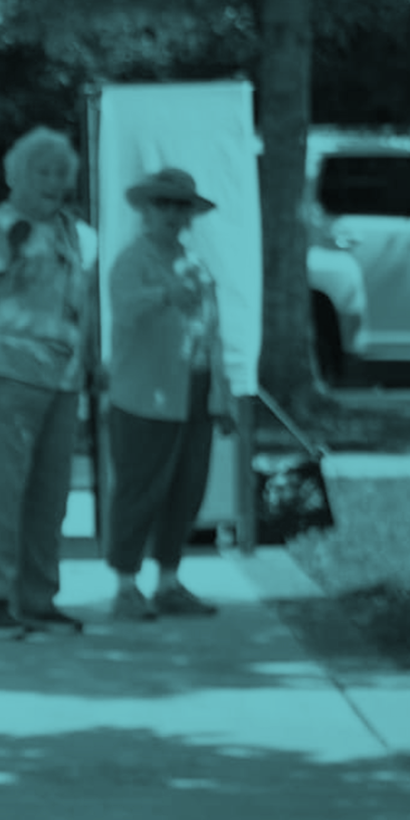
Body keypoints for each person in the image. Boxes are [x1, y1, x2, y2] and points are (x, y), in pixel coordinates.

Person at [0, 126, 101, 637]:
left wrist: (93, 360)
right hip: (6, 377)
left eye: (60, 173)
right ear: (18, 176)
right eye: (42, 172)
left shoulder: (76, 232)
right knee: (0, 495)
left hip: (63, 382)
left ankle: (39, 598)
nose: (52, 182)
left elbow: (84, 305)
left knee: (50, 499)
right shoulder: (2, 227)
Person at [105, 167, 235, 621]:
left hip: (194, 390)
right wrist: (164, 294)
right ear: (145, 210)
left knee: (186, 490)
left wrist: (223, 392)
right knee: (139, 489)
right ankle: (124, 585)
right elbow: (123, 310)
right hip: (145, 393)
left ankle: (168, 581)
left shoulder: (196, 264)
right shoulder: (131, 260)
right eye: (163, 204)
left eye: (180, 206)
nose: (172, 215)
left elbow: (212, 333)